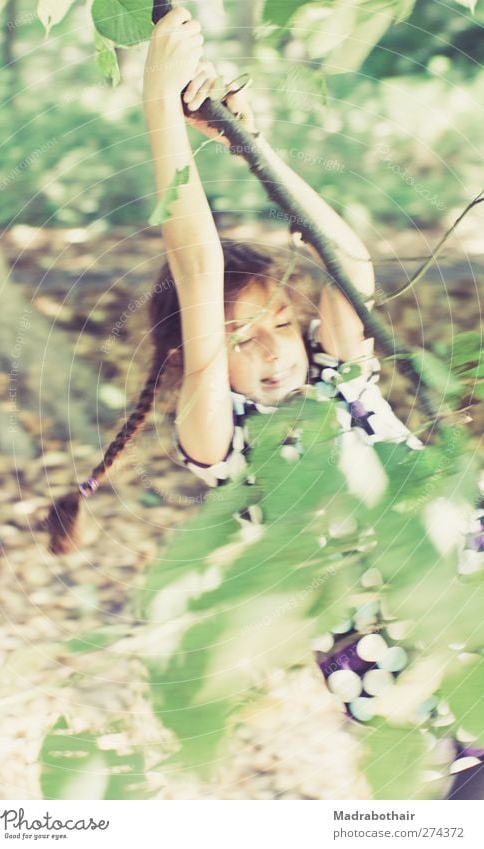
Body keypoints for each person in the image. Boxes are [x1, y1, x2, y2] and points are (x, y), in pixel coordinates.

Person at [44, 5, 483, 798]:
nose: (274, 346)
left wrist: (255, 149)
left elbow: (343, 256)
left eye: (281, 321)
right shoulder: (222, 435)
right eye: (241, 339)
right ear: (196, 360)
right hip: (411, 688)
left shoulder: (338, 375)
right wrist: (158, 101)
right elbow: (197, 266)